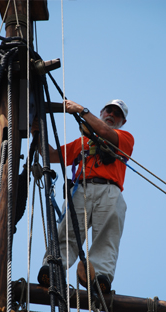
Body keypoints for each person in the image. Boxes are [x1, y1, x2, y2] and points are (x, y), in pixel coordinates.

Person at [37, 99, 134, 293]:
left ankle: (100, 276)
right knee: (68, 232)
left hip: (110, 191)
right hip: (82, 189)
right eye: (109, 110)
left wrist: (81, 110)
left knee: (107, 237)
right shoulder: (83, 142)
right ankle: (54, 267)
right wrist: (35, 130)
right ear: (101, 112)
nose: (112, 115)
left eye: (117, 114)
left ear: (122, 122)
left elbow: (105, 133)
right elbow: (52, 155)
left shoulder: (125, 137)